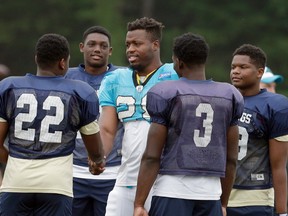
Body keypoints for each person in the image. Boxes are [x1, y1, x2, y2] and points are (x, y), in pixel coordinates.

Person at [133, 32, 244, 216]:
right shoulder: (229, 95)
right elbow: (231, 160)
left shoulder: (166, 92)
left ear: (178, 62)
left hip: (172, 191)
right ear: (204, 60)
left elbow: (152, 156)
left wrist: (139, 203)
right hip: (211, 195)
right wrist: (223, 203)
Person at [0, 33, 105, 216]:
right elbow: (95, 150)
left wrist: (15, 161)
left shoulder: (9, 87)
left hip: (16, 181)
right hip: (56, 185)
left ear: (36, 59)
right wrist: (96, 162)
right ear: (63, 62)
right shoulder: (79, 92)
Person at [98, 17, 179, 216]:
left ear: (155, 45)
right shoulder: (114, 79)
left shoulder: (175, 74)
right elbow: (107, 129)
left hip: (165, 179)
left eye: (137, 44)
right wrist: (99, 156)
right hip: (127, 177)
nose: (130, 49)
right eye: (127, 45)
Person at [65, 26, 124, 216]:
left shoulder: (123, 77)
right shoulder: (66, 77)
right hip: (71, 170)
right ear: (82, 47)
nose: (97, 49)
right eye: (92, 44)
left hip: (112, 170)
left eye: (103, 45)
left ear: (110, 51)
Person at [227, 44, 288, 216]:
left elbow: (279, 166)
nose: (236, 71)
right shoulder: (223, 99)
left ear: (259, 72)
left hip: (256, 197)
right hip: (219, 195)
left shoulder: (275, 106)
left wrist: (282, 211)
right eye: (233, 67)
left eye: (243, 67)